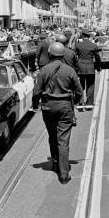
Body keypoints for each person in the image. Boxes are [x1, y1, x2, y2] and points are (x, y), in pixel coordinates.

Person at [32, 42, 84, 184]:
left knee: (52, 136)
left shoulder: (44, 70)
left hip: (48, 107)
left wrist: (35, 105)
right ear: (62, 54)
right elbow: (79, 92)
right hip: (65, 107)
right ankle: (64, 174)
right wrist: (76, 101)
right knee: (63, 140)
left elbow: (36, 91)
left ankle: (55, 163)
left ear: (50, 54)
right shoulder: (69, 70)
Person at [74, 32, 101, 110]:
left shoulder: (78, 45)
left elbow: (74, 57)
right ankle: (89, 103)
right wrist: (98, 68)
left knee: (80, 85)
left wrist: (76, 67)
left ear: (82, 37)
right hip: (90, 68)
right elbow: (98, 58)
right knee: (90, 86)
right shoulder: (93, 45)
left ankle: (80, 101)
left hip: (80, 68)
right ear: (89, 37)